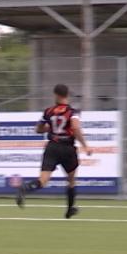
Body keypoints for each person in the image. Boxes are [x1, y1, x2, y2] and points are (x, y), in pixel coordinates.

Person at [16, 84, 92, 219]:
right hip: (67, 148)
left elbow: (38, 129)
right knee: (71, 180)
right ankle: (70, 209)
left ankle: (25, 188)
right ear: (67, 95)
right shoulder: (73, 112)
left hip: (52, 147)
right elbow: (75, 128)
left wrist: (50, 128)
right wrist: (85, 145)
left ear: (55, 95)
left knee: (43, 180)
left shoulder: (48, 111)